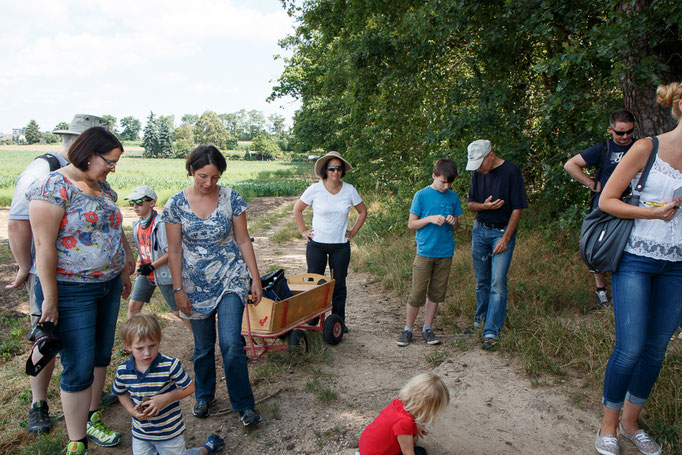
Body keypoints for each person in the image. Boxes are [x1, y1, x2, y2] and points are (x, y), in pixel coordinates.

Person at [28, 126, 134, 454]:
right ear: (89, 155)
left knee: (101, 355)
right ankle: (77, 442)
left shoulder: (102, 187)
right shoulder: (53, 187)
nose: (113, 168)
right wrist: (50, 299)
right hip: (73, 291)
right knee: (78, 363)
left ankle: (91, 417)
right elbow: (44, 246)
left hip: (108, 284)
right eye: (110, 161)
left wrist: (126, 264)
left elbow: (115, 228)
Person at [6, 114, 113, 435]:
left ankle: (87, 406)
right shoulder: (43, 174)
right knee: (49, 340)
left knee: (85, 347)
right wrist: (27, 267)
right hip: (56, 278)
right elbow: (18, 223)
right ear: (86, 147)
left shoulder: (95, 177)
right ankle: (39, 403)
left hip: (98, 282)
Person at [593, 83, 682, 455]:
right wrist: (652, 211)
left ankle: (631, 423)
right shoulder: (648, 147)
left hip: (677, 264)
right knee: (629, 348)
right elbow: (607, 200)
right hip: (636, 258)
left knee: (656, 348)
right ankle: (608, 426)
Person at [164, 145, 263, 426]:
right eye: (203, 176)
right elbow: (173, 252)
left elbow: (243, 240)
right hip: (194, 284)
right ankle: (204, 396)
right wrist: (178, 289)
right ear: (191, 171)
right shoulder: (175, 205)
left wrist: (255, 279)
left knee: (231, 343)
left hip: (231, 276)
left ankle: (244, 405)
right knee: (203, 346)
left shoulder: (232, 198)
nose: (209, 183)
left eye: (215, 177)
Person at [113, 313, 224, 455]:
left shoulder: (170, 365)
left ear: (159, 341)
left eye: (152, 346)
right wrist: (130, 410)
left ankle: (207, 448)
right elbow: (121, 393)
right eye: (140, 348)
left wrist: (165, 398)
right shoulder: (123, 371)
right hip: (141, 433)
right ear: (128, 346)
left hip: (169, 432)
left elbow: (190, 388)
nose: (147, 353)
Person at [564, 109, 636, 306]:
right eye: (620, 132)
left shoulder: (640, 147)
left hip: (632, 205)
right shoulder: (603, 148)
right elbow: (571, 165)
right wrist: (592, 184)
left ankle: (627, 290)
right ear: (610, 130)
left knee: (628, 251)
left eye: (629, 132)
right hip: (604, 207)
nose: (625, 136)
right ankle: (601, 290)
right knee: (596, 247)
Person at [292, 151, 367, 332]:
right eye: (332, 168)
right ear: (325, 171)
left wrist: (353, 231)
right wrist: (303, 231)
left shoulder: (349, 190)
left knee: (339, 283)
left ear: (342, 171)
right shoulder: (314, 189)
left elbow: (362, 212)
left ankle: (338, 321)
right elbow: (297, 210)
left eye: (339, 169)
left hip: (340, 246)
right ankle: (313, 319)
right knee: (314, 283)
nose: (335, 172)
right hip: (316, 245)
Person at [465, 139, 527, 350]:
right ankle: (479, 321)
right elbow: (471, 205)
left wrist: (506, 239)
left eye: (480, 164)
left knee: (497, 282)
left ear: (491, 155)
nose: (479, 170)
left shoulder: (511, 172)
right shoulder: (478, 172)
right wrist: (485, 206)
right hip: (480, 230)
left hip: (501, 232)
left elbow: (517, 209)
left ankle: (491, 331)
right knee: (481, 280)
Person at [396, 159, 462, 347]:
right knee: (417, 293)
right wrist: (430, 219)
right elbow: (411, 224)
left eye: (449, 183)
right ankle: (408, 329)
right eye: (442, 181)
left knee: (436, 293)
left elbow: (457, 225)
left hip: (445, 252)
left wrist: (452, 221)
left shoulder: (453, 197)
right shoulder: (421, 195)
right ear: (434, 175)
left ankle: (428, 328)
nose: (446, 186)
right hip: (425, 252)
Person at [126, 185, 191, 330]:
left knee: (178, 311)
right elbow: (142, 249)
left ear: (152, 203)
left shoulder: (161, 224)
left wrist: (152, 265)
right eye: (132, 203)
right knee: (133, 306)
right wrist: (139, 262)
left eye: (140, 202)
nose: (135, 206)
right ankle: (130, 343)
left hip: (164, 272)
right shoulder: (137, 225)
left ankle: (200, 341)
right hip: (147, 272)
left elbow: (172, 251)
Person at [358, 372, 450, 455]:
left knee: (413, 436)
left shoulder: (398, 403)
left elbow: (395, 422)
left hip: (365, 447)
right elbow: (407, 453)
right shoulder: (405, 423)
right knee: (420, 452)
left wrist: (416, 426)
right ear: (425, 410)